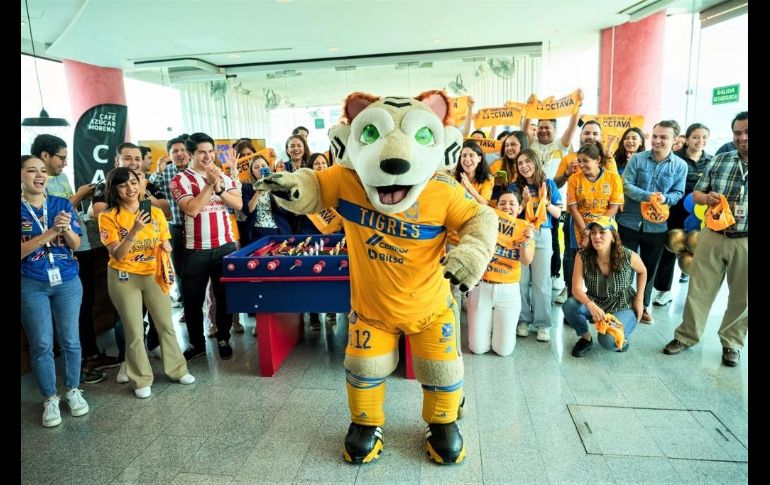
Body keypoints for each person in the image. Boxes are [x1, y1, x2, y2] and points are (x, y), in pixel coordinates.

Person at [98, 167, 195, 398]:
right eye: (123, 185)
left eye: (133, 182)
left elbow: (163, 241)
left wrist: (167, 247)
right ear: (115, 189)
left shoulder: (156, 212)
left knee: (165, 325)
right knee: (134, 330)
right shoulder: (108, 216)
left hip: (154, 273)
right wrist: (134, 230)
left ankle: (177, 369)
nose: (130, 188)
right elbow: (118, 254)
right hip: (124, 277)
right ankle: (140, 378)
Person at [663, 112, 748, 367]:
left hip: (745, 239)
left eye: (746, 132)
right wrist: (705, 198)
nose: (742, 137)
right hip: (712, 234)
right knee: (699, 289)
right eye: (737, 133)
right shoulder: (721, 159)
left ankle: (731, 343)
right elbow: (697, 193)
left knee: (742, 296)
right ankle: (687, 336)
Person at [31, 134, 113, 385]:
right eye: (61, 158)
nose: (65, 163)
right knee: (46, 333)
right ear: (45, 155)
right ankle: (71, 370)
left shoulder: (62, 178)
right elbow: (45, 219)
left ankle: (85, 359)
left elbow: (69, 219)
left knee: (84, 305)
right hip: (41, 264)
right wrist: (78, 196)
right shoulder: (36, 188)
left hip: (74, 252)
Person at [21, 155, 89, 427]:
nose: (39, 175)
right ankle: (50, 397)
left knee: (71, 340)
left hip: (68, 281)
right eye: (31, 171)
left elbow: (75, 243)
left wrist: (64, 230)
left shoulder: (61, 204)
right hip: (31, 283)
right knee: (41, 344)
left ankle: (73, 390)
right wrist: (48, 234)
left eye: (42, 171)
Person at [171, 132, 242, 361]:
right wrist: (210, 185)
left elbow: (238, 204)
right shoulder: (180, 180)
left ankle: (223, 337)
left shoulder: (224, 176)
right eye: (202, 152)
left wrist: (219, 188)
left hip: (225, 247)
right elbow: (191, 209)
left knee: (224, 298)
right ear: (191, 154)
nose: (208, 156)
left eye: (211, 151)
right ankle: (196, 344)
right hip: (195, 250)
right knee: (192, 301)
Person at [616, 120, 687, 324]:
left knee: (648, 268)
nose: (657, 140)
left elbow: (678, 193)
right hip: (629, 222)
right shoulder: (638, 159)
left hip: (657, 226)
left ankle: (643, 306)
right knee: (623, 265)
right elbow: (626, 185)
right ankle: (621, 304)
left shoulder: (680, 166)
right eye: (655, 136)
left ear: (674, 140)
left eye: (663, 137)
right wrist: (649, 196)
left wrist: (665, 199)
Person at [564, 216, 647, 357]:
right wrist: (590, 304)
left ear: (613, 236)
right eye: (593, 232)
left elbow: (642, 271)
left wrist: (639, 299)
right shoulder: (582, 255)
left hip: (622, 304)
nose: (596, 236)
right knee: (570, 305)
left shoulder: (627, 255)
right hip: (596, 301)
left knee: (608, 342)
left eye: (602, 232)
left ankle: (623, 337)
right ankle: (585, 337)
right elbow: (576, 289)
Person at [467, 191, 534, 356]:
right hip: (482, 287)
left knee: (503, 351)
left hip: (508, 291)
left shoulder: (525, 229)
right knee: (477, 348)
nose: (507, 206)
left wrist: (526, 242)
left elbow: (526, 261)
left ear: (519, 209)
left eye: (512, 203)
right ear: (495, 208)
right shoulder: (485, 224)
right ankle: (485, 330)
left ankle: (496, 332)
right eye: (502, 203)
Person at [653, 123, 713, 304]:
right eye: (695, 137)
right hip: (675, 212)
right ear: (686, 139)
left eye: (704, 138)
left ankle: (697, 291)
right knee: (669, 249)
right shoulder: (675, 159)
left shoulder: (711, 161)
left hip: (700, 216)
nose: (699, 141)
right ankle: (664, 290)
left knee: (699, 253)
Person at [510, 149, 562, 342]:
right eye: (520, 163)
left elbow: (558, 213)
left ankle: (543, 324)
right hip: (521, 232)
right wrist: (523, 202)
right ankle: (523, 320)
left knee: (542, 283)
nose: (524, 166)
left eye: (527, 162)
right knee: (521, 281)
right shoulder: (514, 187)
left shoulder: (548, 184)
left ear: (535, 162)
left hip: (543, 233)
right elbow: (511, 214)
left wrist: (545, 202)